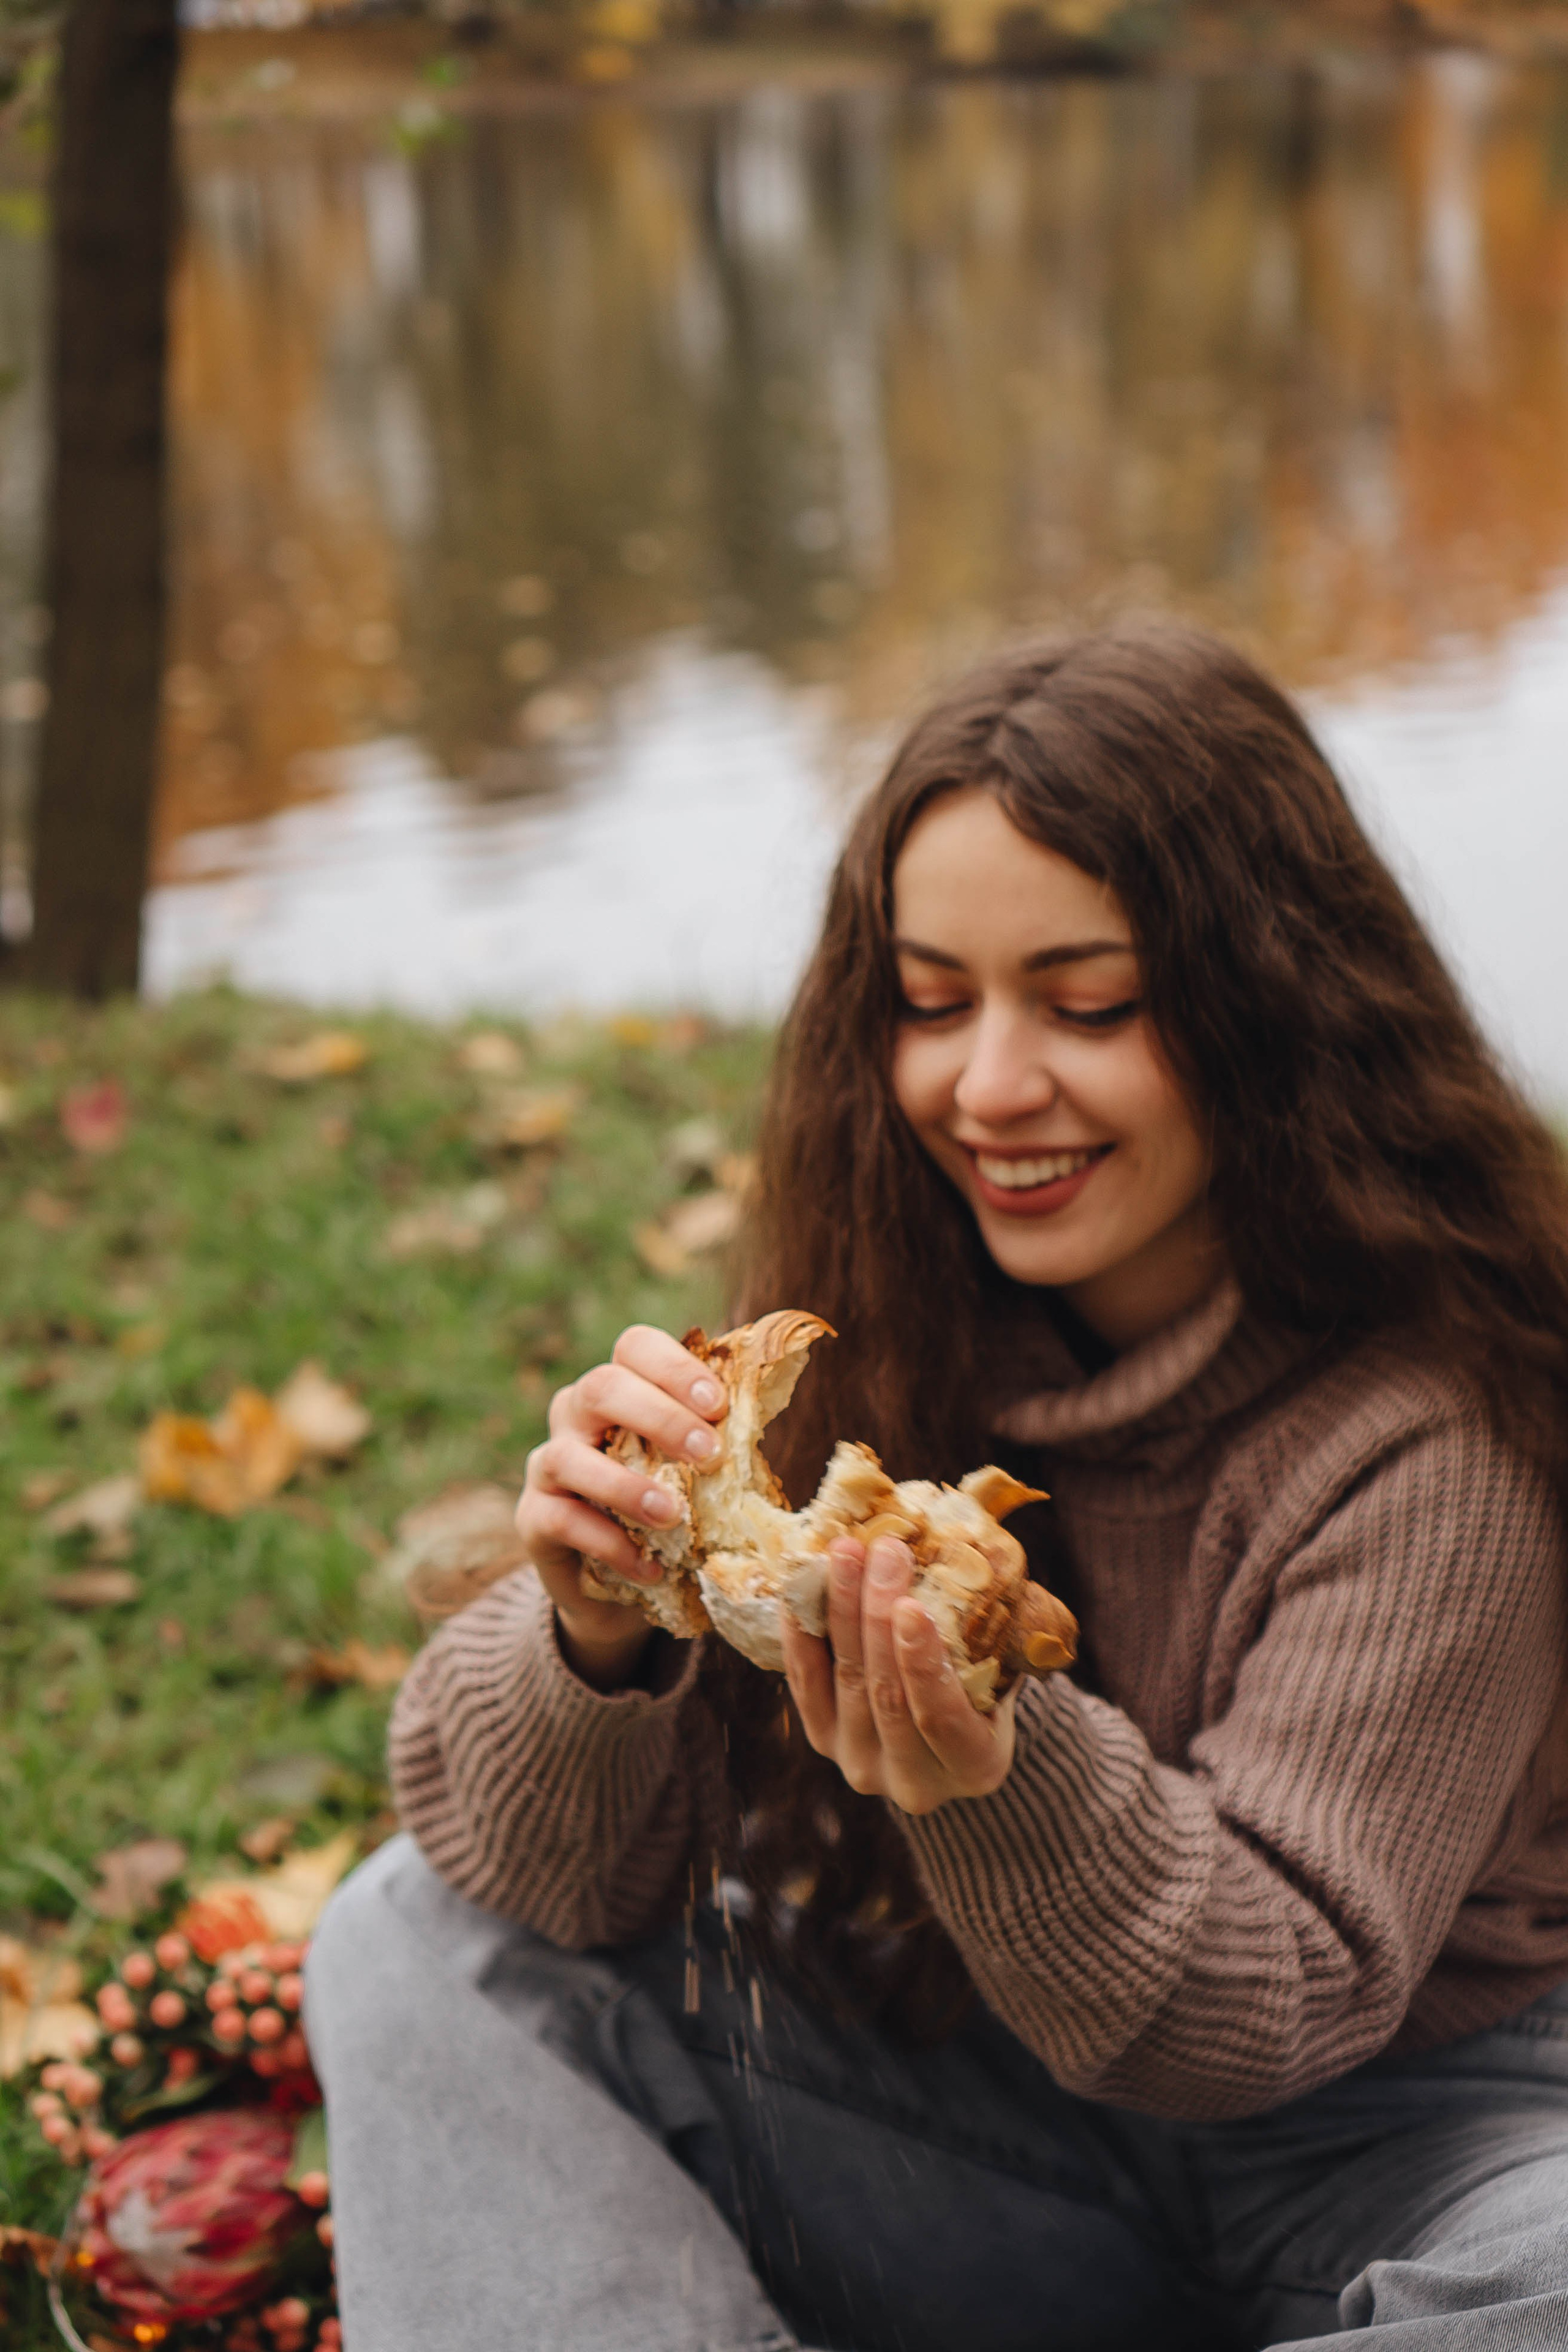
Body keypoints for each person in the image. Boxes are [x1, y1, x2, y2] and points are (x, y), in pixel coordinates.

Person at [305, 621, 1568, 2352]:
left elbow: (1265, 2011)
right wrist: (600, 1637)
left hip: (1425, 2152)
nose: (986, 1086)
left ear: (1272, 1004)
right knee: (415, 1943)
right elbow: (549, 1888)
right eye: (928, 1001)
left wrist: (996, 1749)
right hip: (1015, 2143)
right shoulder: (867, 1331)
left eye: (1091, 1003)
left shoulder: (1436, 1433)